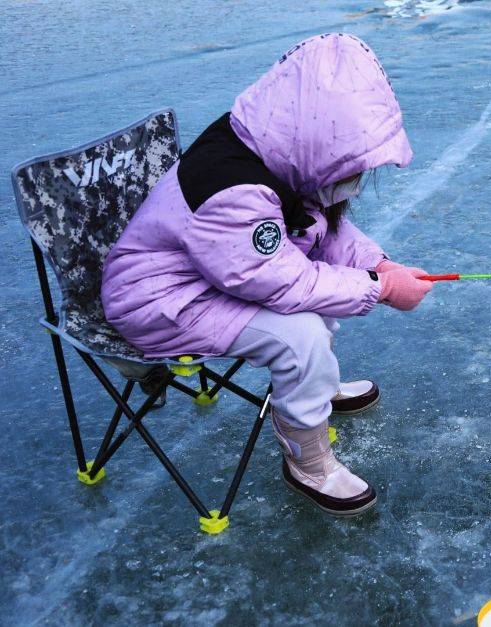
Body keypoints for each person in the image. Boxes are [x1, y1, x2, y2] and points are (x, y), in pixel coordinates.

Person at [101, 33, 432, 517]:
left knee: (313, 306)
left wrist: (377, 264)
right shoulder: (230, 190)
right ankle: (308, 461)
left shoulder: (281, 150)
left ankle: (314, 386)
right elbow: (284, 282)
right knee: (297, 334)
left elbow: (317, 226)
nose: (357, 180)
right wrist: (379, 289)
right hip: (159, 302)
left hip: (214, 274)